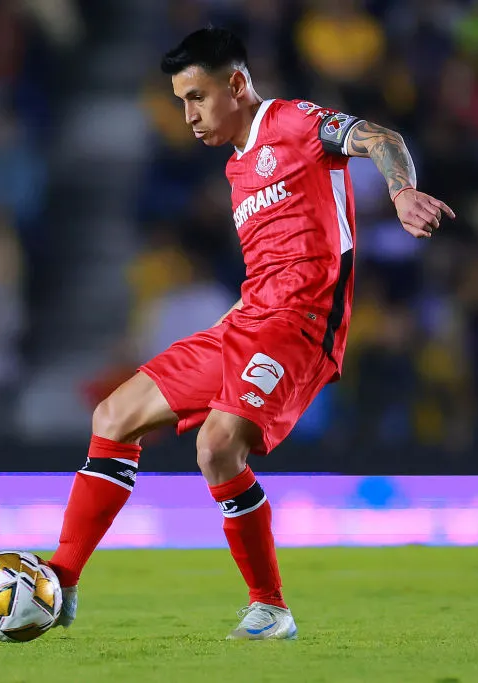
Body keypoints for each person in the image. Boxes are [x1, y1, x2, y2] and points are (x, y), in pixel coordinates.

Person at [46, 27, 455, 640]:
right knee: (112, 415)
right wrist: (219, 332)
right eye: (181, 101)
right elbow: (270, 264)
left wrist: (400, 193)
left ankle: (271, 608)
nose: (187, 115)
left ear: (236, 84)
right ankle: (61, 582)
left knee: (215, 447)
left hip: (300, 327)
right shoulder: (238, 169)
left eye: (196, 97)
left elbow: (381, 138)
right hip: (248, 322)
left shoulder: (292, 122)